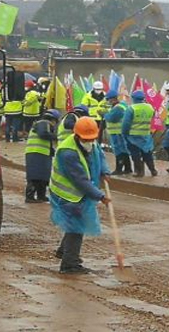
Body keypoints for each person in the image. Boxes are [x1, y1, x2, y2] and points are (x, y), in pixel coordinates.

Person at [50, 117, 111, 274]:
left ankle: (64, 251)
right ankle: (69, 264)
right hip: (67, 194)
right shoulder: (68, 152)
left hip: (79, 192)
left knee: (74, 224)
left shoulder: (91, 142)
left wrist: (105, 171)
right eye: (86, 139)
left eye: (92, 139)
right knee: (76, 227)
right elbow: (80, 180)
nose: (89, 142)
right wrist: (100, 196)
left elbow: (100, 156)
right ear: (77, 135)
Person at [25, 109, 60, 203]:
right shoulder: (43, 123)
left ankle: (41, 196)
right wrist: (57, 137)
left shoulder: (44, 124)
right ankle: (30, 196)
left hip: (42, 153)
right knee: (35, 176)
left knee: (43, 176)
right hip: (36, 152)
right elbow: (43, 134)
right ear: (53, 119)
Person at [122, 90, 157, 177]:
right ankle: (152, 169)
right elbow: (152, 117)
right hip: (146, 135)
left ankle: (139, 171)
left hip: (133, 136)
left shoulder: (131, 108)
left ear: (133, 98)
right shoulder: (150, 107)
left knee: (135, 154)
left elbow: (126, 124)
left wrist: (125, 134)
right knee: (147, 153)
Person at [103, 90, 132, 175]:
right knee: (124, 150)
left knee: (119, 150)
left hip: (117, 133)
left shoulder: (118, 108)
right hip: (119, 132)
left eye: (108, 99)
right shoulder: (121, 106)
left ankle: (119, 169)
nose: (108, 101)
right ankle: (128, 168)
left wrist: (104, 115)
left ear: (113, 99)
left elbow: (112, 118)